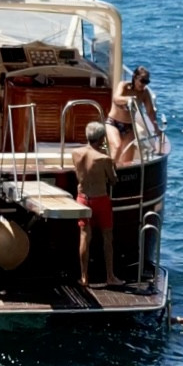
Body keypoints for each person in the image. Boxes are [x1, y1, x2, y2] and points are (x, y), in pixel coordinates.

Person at [71, 121, 120, 288]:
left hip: (83, 199)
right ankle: (110, 276)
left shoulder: (76, 153)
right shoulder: (103, 158)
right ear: (101, 139)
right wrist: (111, 162)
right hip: (100, 200)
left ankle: (84, 277)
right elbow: (113, 181)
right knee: (107, 238)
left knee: (84, 236)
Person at [107, 65, 159, 167]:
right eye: (142, 80)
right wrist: (128, 99)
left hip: (129, 127)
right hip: (113, 123)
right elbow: (116, 99)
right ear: (135, 77)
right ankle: (109, 173)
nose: (143, 84)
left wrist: (156, 129)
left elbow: (150, 112)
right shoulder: (124, 86)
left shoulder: (144, 93)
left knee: (128, 160)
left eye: (146, 82)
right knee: (117, 146)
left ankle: (120, 174)